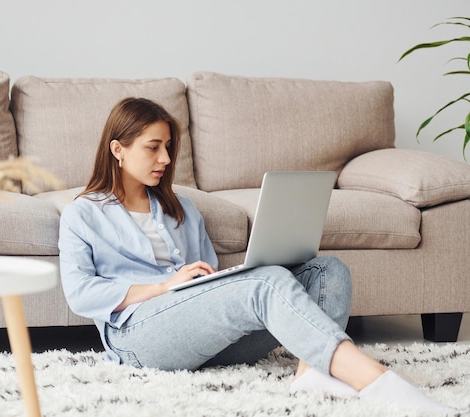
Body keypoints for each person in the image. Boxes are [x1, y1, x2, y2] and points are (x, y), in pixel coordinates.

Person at [59, 97, 453, 414]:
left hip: (201, 337)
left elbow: (206, 276)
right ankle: (377, 381)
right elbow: (80, 294)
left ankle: (312, 374)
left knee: (327, 270)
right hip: (138, 339)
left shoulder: (181, 210)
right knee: (266, 282)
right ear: (118, 149)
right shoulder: (84, 213)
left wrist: (210, 281)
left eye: (168, 148)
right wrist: (164, 286)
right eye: (153, 148)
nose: (164, 159)